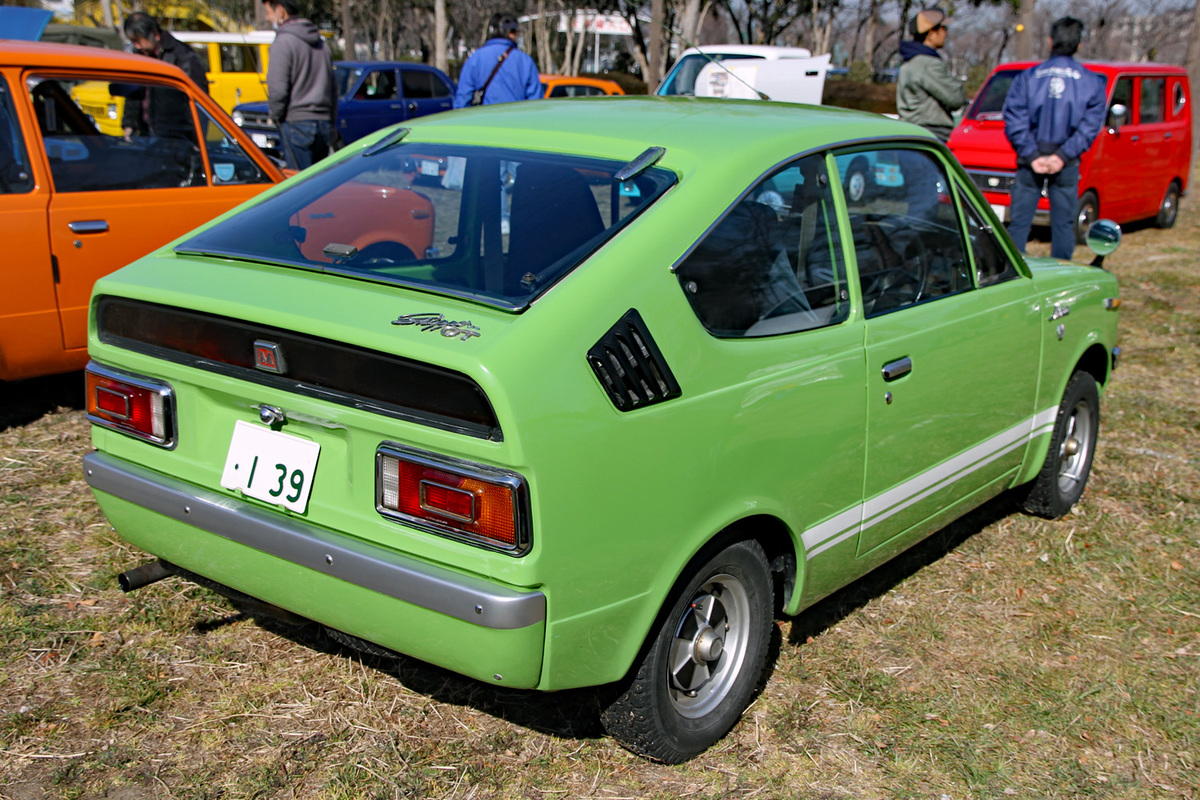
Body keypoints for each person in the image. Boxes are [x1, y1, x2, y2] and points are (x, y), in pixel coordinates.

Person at [1003, 17, 1106, 260]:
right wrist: (1062, 156)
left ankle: (1013, 273)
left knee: (1018, 223)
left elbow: (1014, 118)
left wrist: (1032, 154)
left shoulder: (1028, 78)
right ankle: (1061, 272)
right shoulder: (1092, 82)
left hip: (1031, 160)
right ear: (1079, 45)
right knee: (1063, 225)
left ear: (1050, 41)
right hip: (1066, 162)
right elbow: (1089, 128)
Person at [262, 0, 337, 170]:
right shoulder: (322, 44)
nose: (267, 18)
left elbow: (278, 90)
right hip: (324, 123)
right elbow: (332, 89)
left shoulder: (282, 42)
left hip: (296, 122)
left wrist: (275, 115)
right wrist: (331, 120)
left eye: (268, 12)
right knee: (318, 182)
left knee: (299, 187)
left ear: (280, 11)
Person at [121, 12, 208, 141]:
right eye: (133, 41)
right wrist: (129, 125)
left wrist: (197, 141)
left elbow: (199, 102)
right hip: (143, 135)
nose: (136, 46)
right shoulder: (138, 55)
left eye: (138, 40)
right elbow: (134, 94)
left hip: (175, 139)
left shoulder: (183, 56)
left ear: (155, 35)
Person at [896, 7, 966, 142]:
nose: (945, 33)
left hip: (911, 133)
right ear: (930, 33)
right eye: (943, 28)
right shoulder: (928, 64)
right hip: (929, 134)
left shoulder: (910, 61)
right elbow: (955, 98)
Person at [452, 14, 541, 109]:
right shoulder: (525, 61)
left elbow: (463, 99)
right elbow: (536, 102)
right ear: (510, 33)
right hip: (517, 120)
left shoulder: (475, 58)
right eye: (516, 32)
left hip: (485, 120)